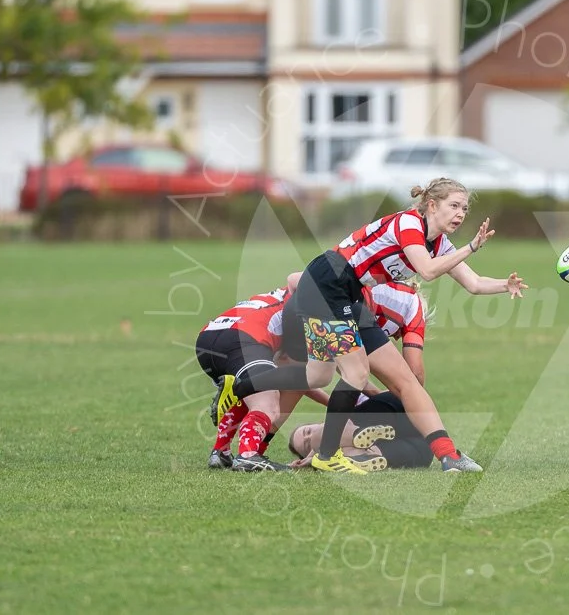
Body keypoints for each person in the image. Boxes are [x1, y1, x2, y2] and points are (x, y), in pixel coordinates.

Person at [216, 177, 525, 474]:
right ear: (431, 205)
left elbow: (472, 283)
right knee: (355, 373)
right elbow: (428, 272)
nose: (460, 214)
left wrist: (504, 285)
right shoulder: (408, 224)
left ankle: (448, 456)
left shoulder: (439, 243)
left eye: (464, 209)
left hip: (350, 297)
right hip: (327, 284)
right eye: (455, 205)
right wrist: (470, 247)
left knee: (334, 376)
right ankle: (327, 455)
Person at [211, 277, 432, 472]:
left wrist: (346, 404)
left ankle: (245, 448)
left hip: (236, 334)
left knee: (282, 391)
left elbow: (312, 375)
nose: (307, 435)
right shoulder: (325, 309)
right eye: (308, 440)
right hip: (243, 336)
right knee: (422, 450)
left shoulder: (318, 307)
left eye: (306, 434)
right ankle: (363, 450)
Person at [197, 284, 299, 472]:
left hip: (207, 338)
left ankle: (221, 452)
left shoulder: (282, 296)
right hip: (242, 338)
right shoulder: (308, 309)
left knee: (252, 387)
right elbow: (303, 379)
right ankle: (248, 455)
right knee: (268, 401)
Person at [286, 392, 434, 471]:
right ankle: (359, 451)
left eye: (307, 431)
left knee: (324, 435)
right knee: (365, 454)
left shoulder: (342, 414)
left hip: (397, 410)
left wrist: (314, 455)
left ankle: (354, 435)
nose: (309, 437)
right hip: (423, 450)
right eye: (306, 446)